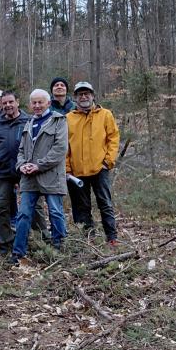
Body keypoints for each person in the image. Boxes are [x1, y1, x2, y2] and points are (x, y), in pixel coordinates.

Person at [12, 90, 69, 261]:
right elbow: (21, 150)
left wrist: (39, 165)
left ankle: (59, 250)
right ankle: (18, 252)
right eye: (34, 103)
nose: (37, 106)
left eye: (40, 102)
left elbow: (60, 149)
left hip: (51, 175)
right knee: (23, 214)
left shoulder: (59, 121)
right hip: (29, 178)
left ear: (48, 103)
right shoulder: (29, 123)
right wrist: (22, 165)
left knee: (55, 212)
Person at [66, 82, 121, 246]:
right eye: (80, 94)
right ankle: (87, 241)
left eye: (87, 94)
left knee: (105, 204)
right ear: (75, 98)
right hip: (76, 172)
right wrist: (67, 168)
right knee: (81, 208)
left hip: (99, 169)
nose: (83, 97)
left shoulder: (105, 115)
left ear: (93, 96)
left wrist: (108, 162)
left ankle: (112, 238)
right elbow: (64, 146)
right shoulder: (68, 118)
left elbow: (113, 139)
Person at [0, 90, 30, 254]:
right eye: (4, 103)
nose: (7, 105)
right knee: (1, 208)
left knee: (31, 207)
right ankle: (6, 243)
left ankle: (36, 239)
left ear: (17, 102)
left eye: (10, 102)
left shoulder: (28, 121)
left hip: (24, 170)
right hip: (2, 172)